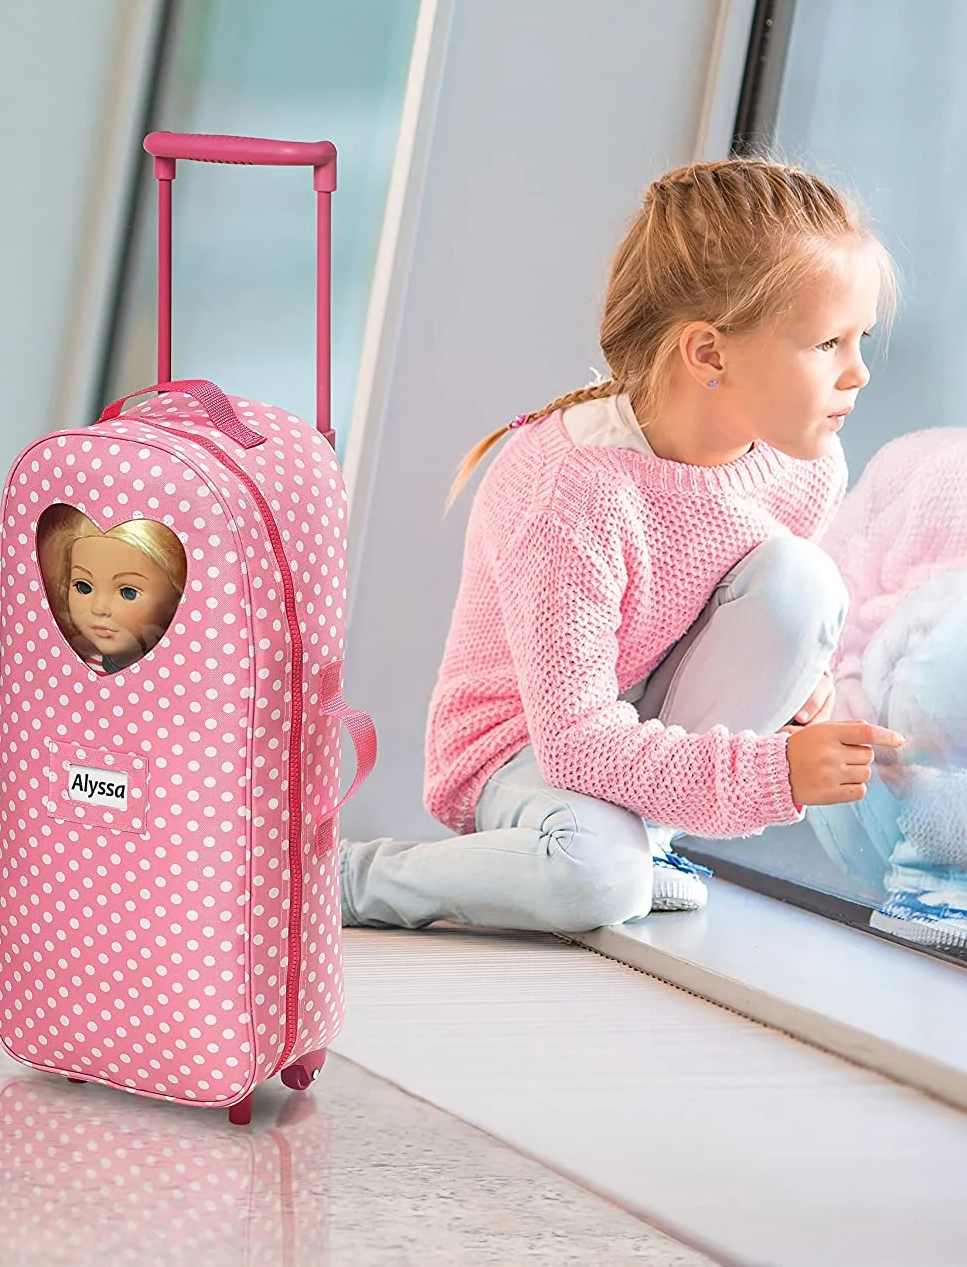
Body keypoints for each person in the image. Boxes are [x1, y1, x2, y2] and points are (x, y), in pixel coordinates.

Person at [340, 158, 905, 934]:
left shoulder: (802, 467)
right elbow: (573, 744)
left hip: (634, 737)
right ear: (707, 353)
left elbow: (746, 619)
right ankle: (345, 879)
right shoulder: (571, 492)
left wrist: (803, 688)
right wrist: (773, 772)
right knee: (591, 882)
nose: (858, 374)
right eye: (827, 344)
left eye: (860, 339)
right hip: (524, 750)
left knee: (801, 579)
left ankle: (648, 844)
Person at [816, 428, 967, 951]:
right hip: (883, 787)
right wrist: (839, 675)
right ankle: (939, 881)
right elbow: (827, 582)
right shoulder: (925, 463)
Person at [36, 505, 187, 674]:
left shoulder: (175, 672)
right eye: (83, 587)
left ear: (176, 598)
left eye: (128, 593)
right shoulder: (87, 667)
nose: (99, 608)